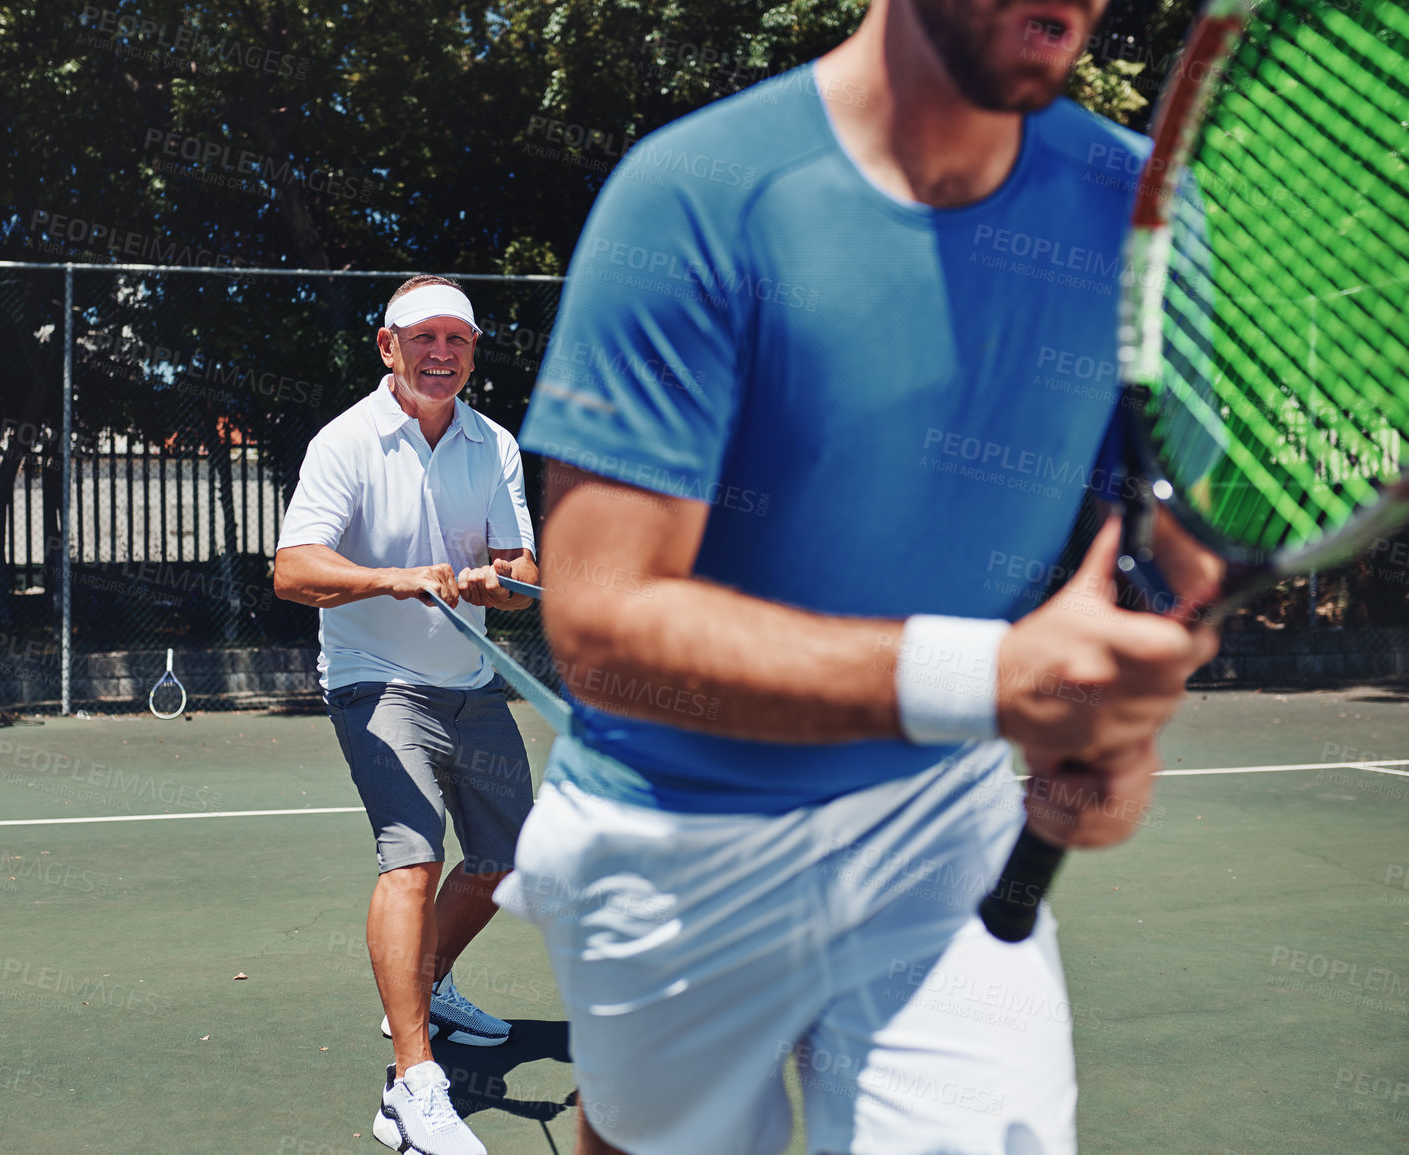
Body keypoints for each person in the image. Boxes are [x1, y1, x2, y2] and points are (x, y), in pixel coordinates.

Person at [499, 2, 1222, 1153]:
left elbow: (1165, 531)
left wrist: (1116, 715)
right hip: (670, 838)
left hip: (944, 822)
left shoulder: (1144, 216)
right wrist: (990, 675)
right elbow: (601, 620)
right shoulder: (692, 195)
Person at [274, 275, 541, 1155]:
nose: (439, 353)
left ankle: (424, 980)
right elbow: (294, 570)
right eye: (420, 337)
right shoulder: (345, 442)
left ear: (471, 353)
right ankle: (412, 1084)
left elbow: (522, 572)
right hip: (373, 679)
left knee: (507, 859)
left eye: (455, 340)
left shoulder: (490, 441)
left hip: (470, 678)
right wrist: (401, 576)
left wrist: (489, 581)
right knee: (412, 857)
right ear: (386, 346)